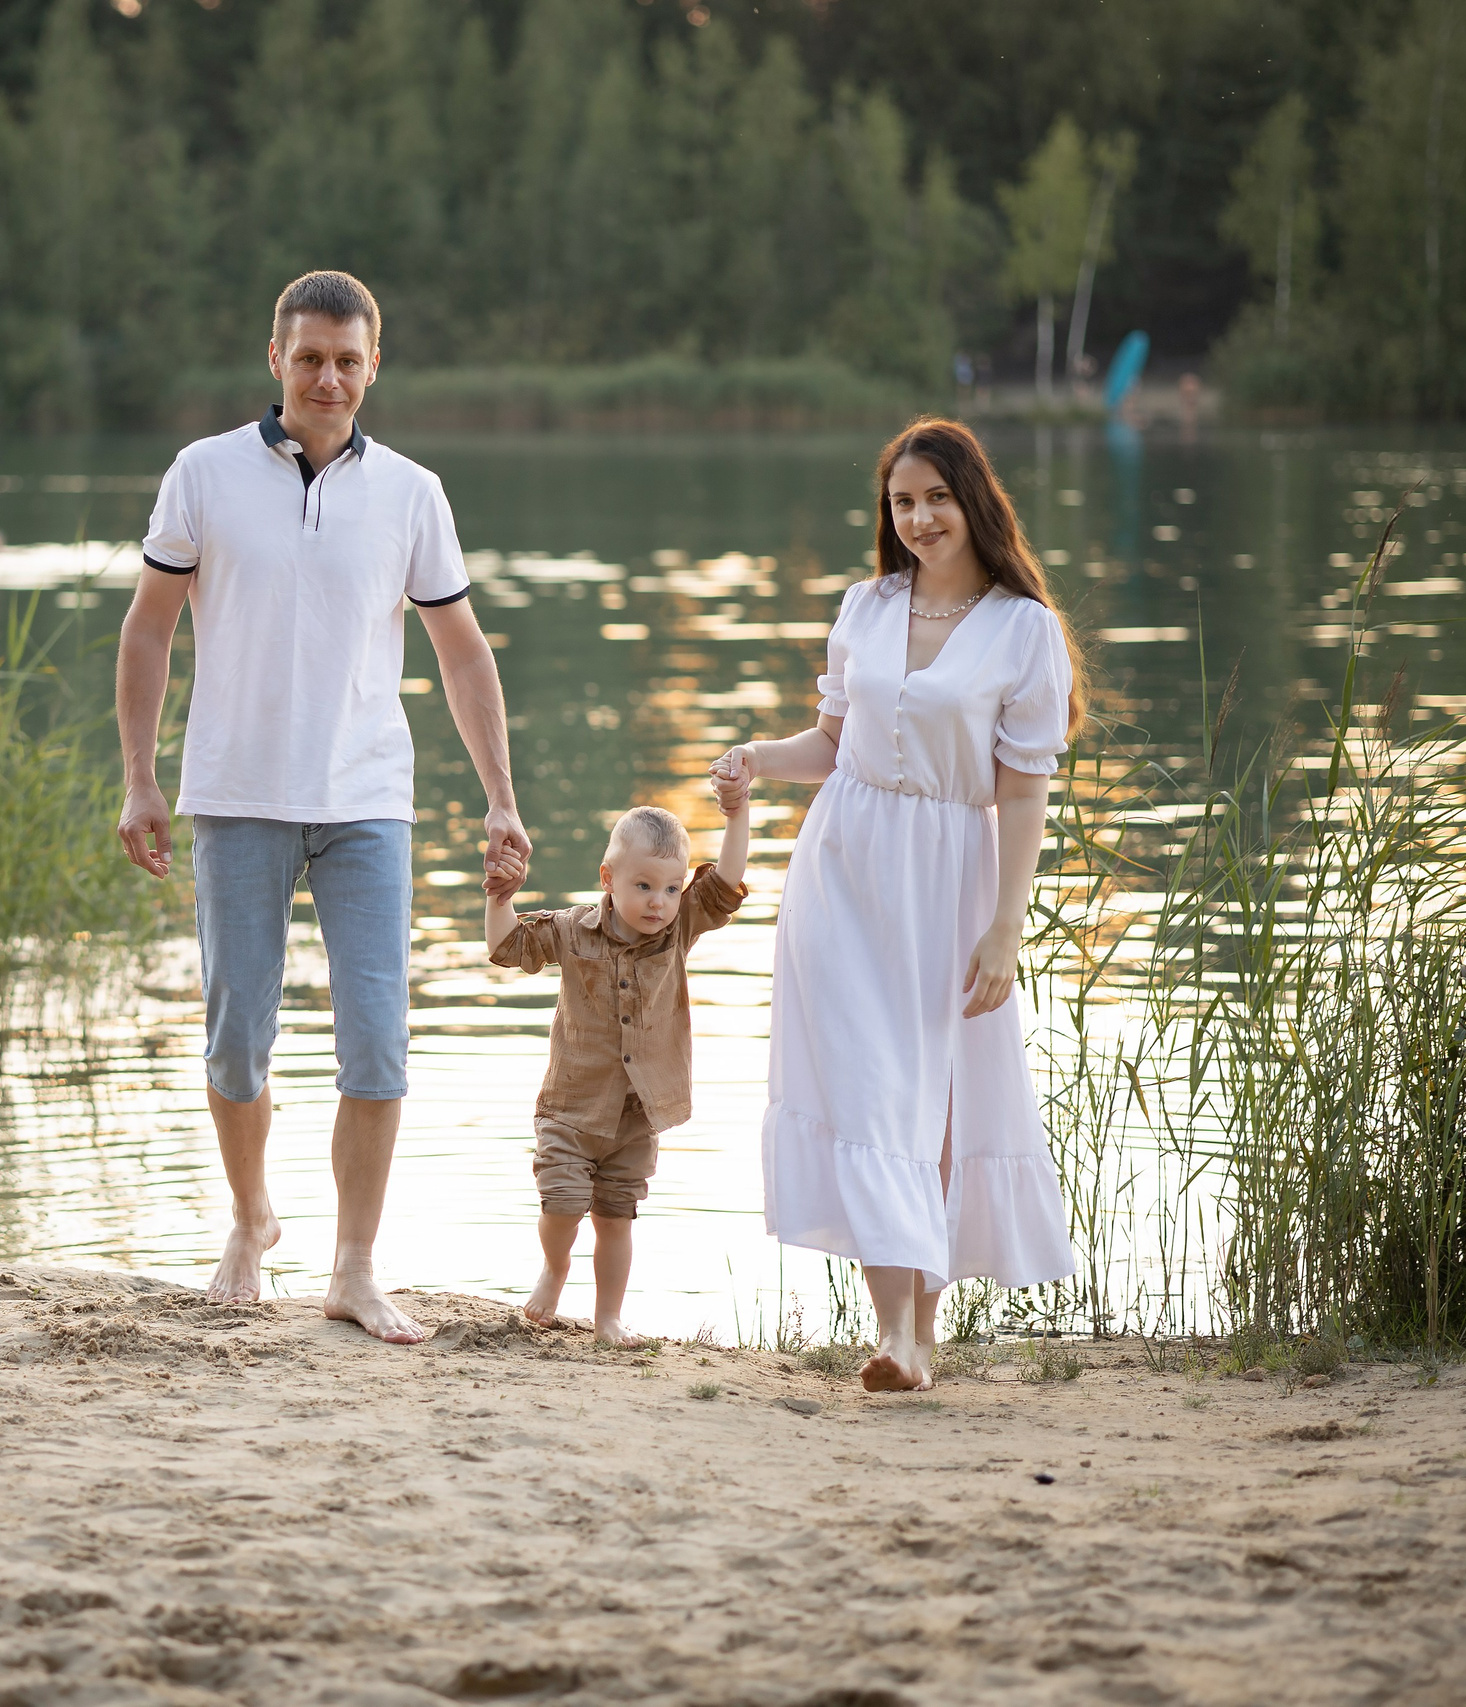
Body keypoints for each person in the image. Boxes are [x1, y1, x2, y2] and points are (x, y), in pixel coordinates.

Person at [115, 270, 531, 1345]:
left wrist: (499, 797)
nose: (329, 377)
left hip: (366, 803)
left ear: (374, 365)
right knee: (235, 1040)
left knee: (378, 1045)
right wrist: (140, 778)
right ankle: (251, 1221)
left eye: (348, 360)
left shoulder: (412, 493)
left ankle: (352, 1266)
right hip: (236, 794)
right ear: (276, 360)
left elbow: (460, 650)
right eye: (309, 357)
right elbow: (149, 628)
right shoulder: (202, 474)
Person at [713, 416, 1080, 1392]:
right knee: (871, 1093)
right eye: (901, 502)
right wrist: (756, 758)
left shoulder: (1023, 630)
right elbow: (831, 746)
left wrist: (1006, 926)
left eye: (935, 500)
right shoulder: (867, 607)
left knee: (940, 1104)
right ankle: (897, 1337)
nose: (917, 519)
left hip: (954, 881)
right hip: (843, 871)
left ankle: (924, 1330)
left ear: (974, 503)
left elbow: (1024, 790)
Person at [481, 804, 747, 1347]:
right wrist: (499, 899)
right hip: (572, 1106)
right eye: (645, 885)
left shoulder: (678, 931)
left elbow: (725, 883)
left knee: (616, 1216)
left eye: (672, 889)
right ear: (609, 879)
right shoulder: (573, 930)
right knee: (562, 1204)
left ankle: (608, 1319)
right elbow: (507, 947)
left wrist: (736, 812)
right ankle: (555, 1269)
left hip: (636, 1112)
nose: (660, 901)